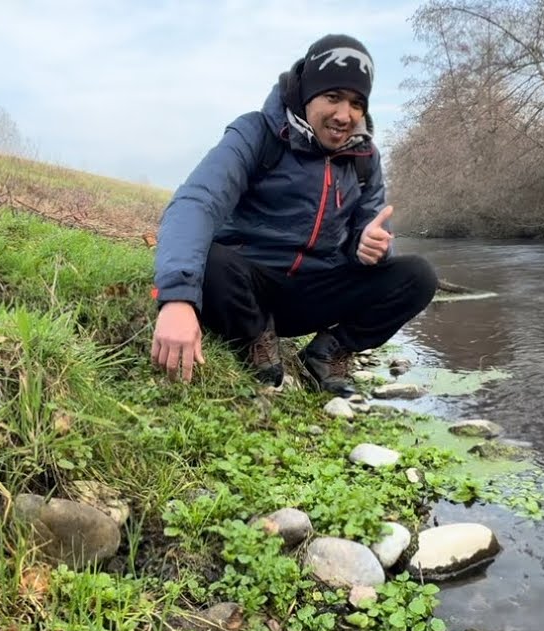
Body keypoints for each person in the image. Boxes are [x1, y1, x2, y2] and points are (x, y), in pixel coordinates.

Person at [150, 33, 437, 396]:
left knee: (419, 276)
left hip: (314, 293)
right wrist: (176, 299)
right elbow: (195, 203)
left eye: (356, 103)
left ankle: (327, 352)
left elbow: (372, 235)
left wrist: (369, 249)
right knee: (211, 257)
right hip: (245, 290)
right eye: (332, 97)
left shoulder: (366, 159)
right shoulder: (256, 132)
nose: (344, 115)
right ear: (306, 93)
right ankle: (257, 339)